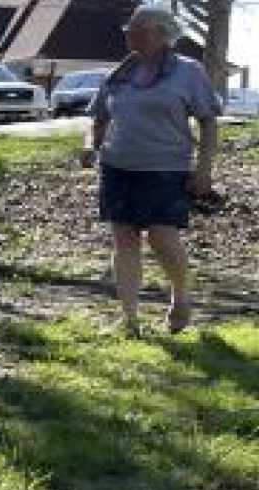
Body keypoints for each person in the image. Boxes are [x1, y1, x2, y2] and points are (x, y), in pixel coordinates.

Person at [80, 6, 221, 336]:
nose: (130, 34)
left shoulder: (188, 72)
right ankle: (130, 320)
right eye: (129, 29)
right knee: (124, 239)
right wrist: (89, 145)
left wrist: (204, 169)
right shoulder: (120, 73)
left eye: (139, 29)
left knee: (162, 236)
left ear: (162, 34)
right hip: (117, 167)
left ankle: (180, 297)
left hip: (165, 168)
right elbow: (99, 118)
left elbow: (208, 121)